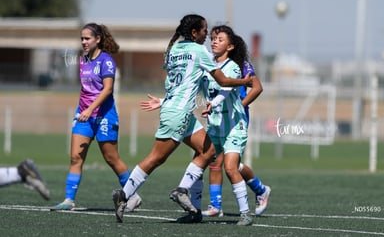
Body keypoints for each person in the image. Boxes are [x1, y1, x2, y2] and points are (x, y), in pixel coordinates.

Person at [111, 14, 251, 224]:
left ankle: (182, 190)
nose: (207, 35)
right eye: (204, 30)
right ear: (194, 33)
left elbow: (175, 82)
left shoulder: (174, 49)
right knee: (156, 158)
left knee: (209, 150)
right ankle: (125, 194)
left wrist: (164, 101)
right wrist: (243, 81)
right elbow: (221, 79)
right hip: (178, 113)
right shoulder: (198, 51)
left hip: (179, 111)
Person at [54, 23, 141, 211]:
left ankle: (133, 195)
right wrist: (82, 110)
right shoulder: (83, 60)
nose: (84, 42)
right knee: (75, 157)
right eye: (82, 39)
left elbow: (107, 89)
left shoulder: (106, 61)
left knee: (111, 158)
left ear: (98, 39)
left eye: (87, 38)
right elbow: (86, 89)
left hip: (104, 116)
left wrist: (90, 109)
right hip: (83, 116)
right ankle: (69, 200)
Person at [201, 25, 271, 218]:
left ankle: (260, 190)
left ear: (230, 45)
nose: (214, 41)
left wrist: (241, 103)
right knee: (217, 161)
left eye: (219, 38)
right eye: (212, 38)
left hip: (235, 118)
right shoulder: (211, 64)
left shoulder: (241, 64)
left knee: (232, 165)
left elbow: (257, 88)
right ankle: (215, 206)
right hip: (216, 117)